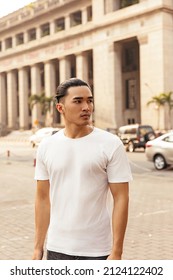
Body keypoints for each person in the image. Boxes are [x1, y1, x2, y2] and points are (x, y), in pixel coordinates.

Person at [32, 78, 132, 260]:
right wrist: (38, 247)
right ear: (60, 108)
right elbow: (42, 198)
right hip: (57, 248)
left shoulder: (110, 144)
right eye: (78, 101)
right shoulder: (46, 146)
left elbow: (121, 197)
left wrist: (117, 250)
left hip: (97, 251)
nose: (86, 107)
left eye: (90, 100)